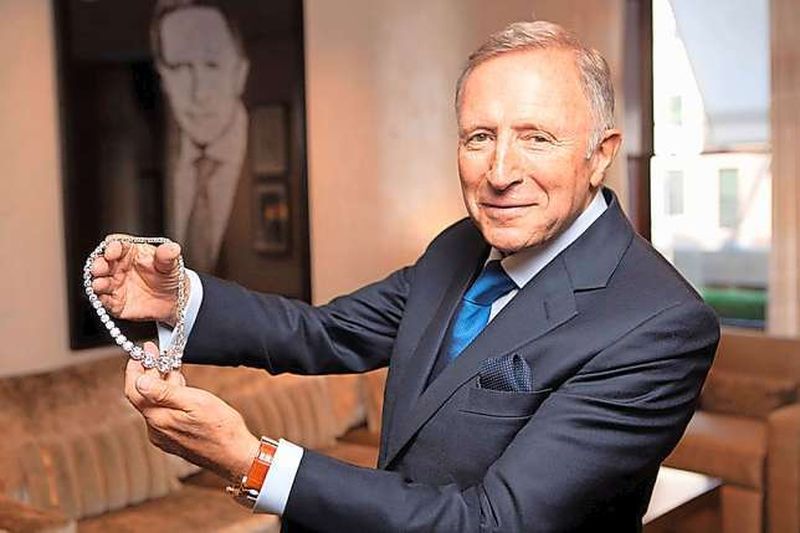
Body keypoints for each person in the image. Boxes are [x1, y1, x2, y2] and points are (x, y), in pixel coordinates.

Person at [91, 20, 719, 531]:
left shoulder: (659, 324)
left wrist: (252, 461)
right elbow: (323, 333)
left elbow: (496, 523)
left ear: (600, 155)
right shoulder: (458, 246)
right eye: (479, 136)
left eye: (536, 138)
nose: (500, 172)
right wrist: (177, 298)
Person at [151, 0, 250, 272]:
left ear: (240, 72)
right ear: (163, 78)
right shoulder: (154, 156)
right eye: (179, 67)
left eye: (212, 65)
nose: (199, 93)